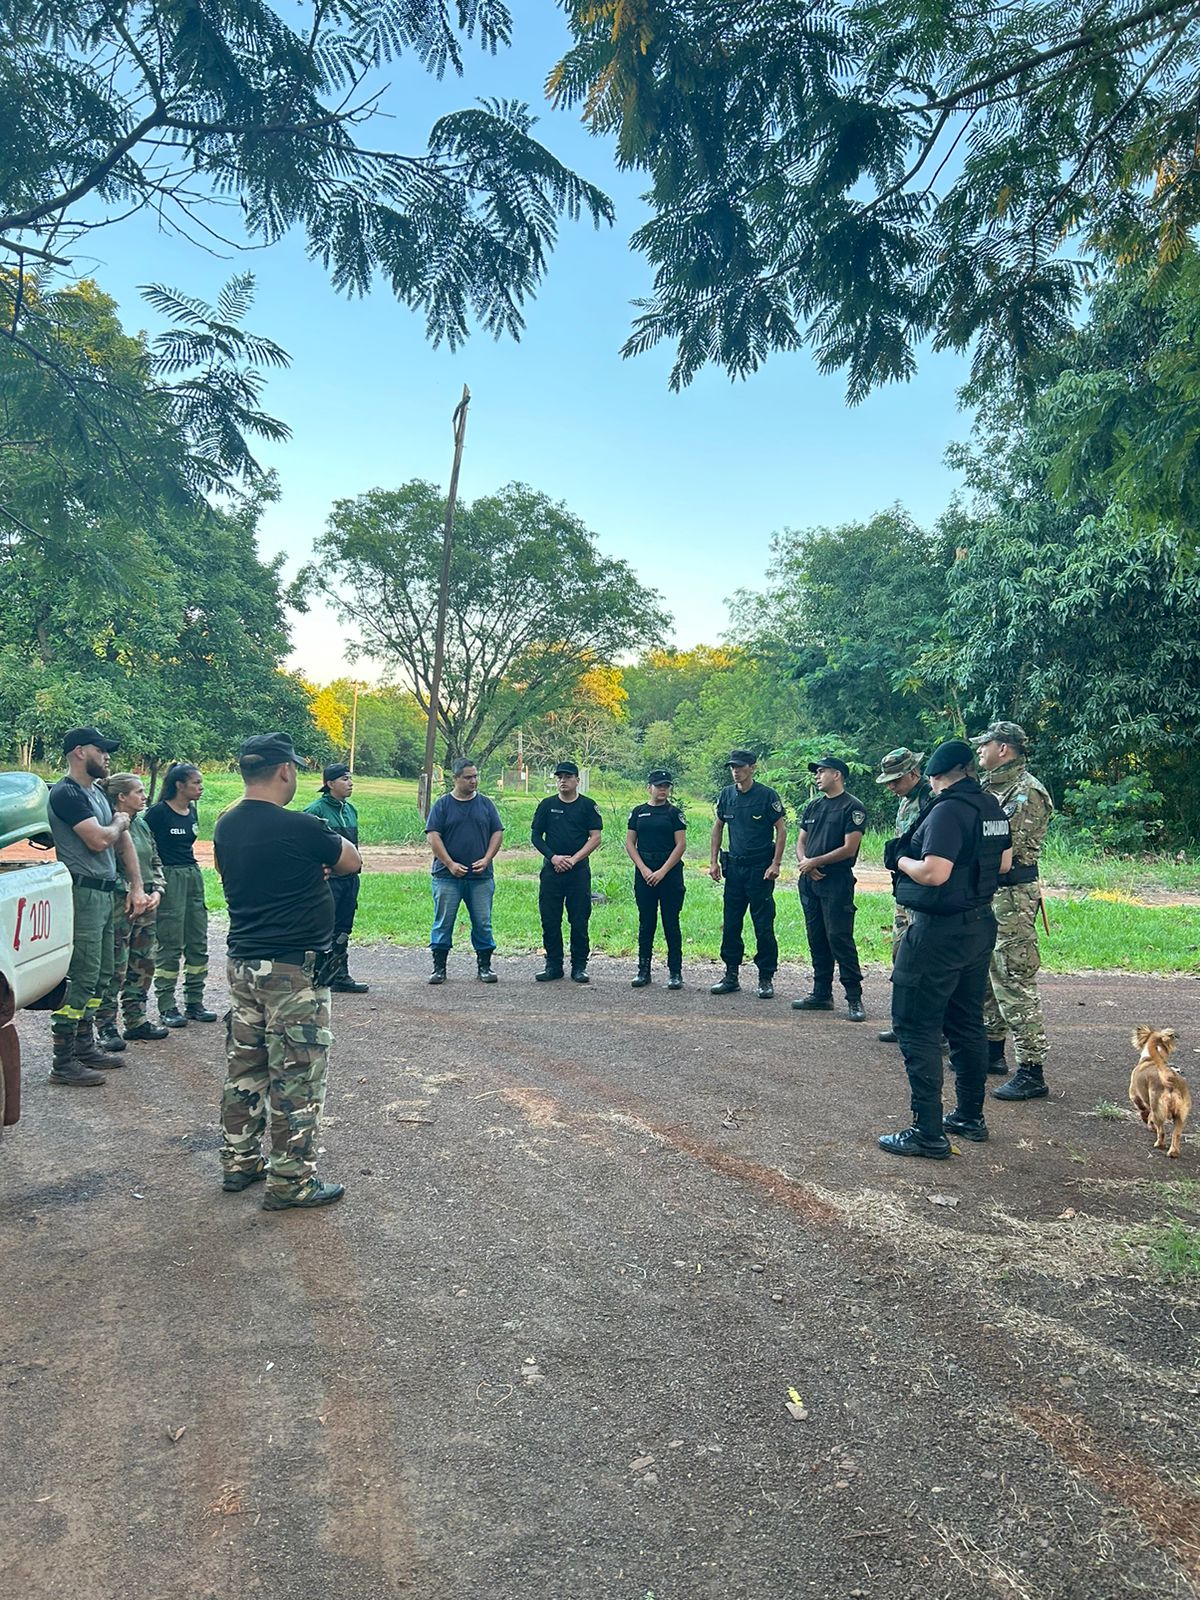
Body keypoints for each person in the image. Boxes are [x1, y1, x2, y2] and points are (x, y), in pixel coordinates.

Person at [213, 731, 361, 1210]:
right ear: (285, 770)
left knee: (245, 1067)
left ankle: (239, 1163)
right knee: (296, 1075)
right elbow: (351, 861)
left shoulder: (225, 825)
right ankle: (291, 1181)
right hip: (293, 971)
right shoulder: (300, 826)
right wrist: (314, 867)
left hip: (243, 964)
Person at [878, 739, 1012, 1159]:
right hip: (978, 925)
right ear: (970, 769)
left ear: (935, 777)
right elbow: (1004, 864)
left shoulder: (947, 810)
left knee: (915, 1026)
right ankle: (970, 1117)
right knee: (966, 1023)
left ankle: (927, 1131)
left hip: (938, 931)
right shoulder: (991, 805)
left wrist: (900, 860)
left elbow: (934, 873)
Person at [46, 728, 150, 1087]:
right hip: (83, 893)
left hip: (107, 892)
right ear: (79, 752)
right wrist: (121, 820)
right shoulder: (67, 794)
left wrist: (136, 886)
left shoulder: (96, 794)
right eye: (100, 750)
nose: (107, 756)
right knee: (84, 974)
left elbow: (123, 846)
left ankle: (84, 1045)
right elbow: (98, 840)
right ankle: (63, 1060)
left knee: (104, 974)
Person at [974, 721, 1055, 1102]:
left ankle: (1032, 1069)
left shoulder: (1026, 793)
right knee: (989, 976)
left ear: (1003, 748)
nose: (979, 751)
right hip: (990, 893)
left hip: (1012, 896)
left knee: (1014, 978)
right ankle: (993, 1053)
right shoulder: (990, 788)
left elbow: (1009, 854)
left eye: (984, 745)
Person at [792, 756, 868, 1020]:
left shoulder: (853, 807)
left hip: (836, 880)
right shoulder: (813, 806)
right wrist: (805, 863)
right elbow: (800, 841)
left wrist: (816, 861)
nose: (817, 775)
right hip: (809, 880)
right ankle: (821, 993)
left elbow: (850, 848)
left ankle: (854, 998)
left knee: (839, 937)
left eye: (821, 771)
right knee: (816, 937)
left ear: (837, 775)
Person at [95, 774, 168, 1048]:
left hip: (146, 900)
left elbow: (156, 860)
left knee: (143, 962)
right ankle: (106, 1025)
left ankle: (136, 1020)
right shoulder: (109, 825)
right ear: (122, 797)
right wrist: (129, 890)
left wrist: (157, 890)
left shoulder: (143, 826)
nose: (144, 796)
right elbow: (104, 866)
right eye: (138, 791)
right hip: (120, 903)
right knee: (115, 964)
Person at [709, 749, 786, 999]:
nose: (735, 771)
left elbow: (781, 830)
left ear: (752, 767)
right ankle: (731, 975)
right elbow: (718, 826)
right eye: (732, 767)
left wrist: (775, 864)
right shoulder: (727, 795)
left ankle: (765, 977)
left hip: (760, 870)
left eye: (740, 766)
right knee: (731, 924)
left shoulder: (766, 796)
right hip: (735, 869)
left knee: (763, 924)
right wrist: (713, 862)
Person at [145, 763, 216, 1027]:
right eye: (196, 783)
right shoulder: (158, 813)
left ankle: (194, 1001)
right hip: (169, 877)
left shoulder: (192, 812)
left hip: (192, 875)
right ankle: (166, 1005)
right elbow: (145, 847)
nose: (200, 787)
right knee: (170, 942)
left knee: (198, 939)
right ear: (179, 785)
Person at [425, 758, 504, 985]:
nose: (474, 781)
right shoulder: (442, 805)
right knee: (443, 921)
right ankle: (439, 968)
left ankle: (485, 967)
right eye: (468, 777)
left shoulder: (486, 804)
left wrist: (487, 859)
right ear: (456, 778)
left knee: (483, 922)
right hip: (446, 876)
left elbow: (497, 832)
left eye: (475, 776)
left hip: (480, 877)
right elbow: (433, 836)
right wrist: (449, 863)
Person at [874, 748, 933, 1043]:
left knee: (924, 959)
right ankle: (903, 1021)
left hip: (924, 890)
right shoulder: (906, 799)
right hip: (904, 890)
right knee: (901, 955)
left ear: (913, 773)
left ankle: (930, 1028)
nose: (891, 787)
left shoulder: (930, 798)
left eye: (896, 780)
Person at [531, 761, 603, 983]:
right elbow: (535, 836)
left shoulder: (588, 806)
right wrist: (553, 857)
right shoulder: (546, 805)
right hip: (552, 870)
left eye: (568, 776)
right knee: (550, 919)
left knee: (579, 919)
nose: (563, 780)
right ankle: (553, 965)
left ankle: (579, 966)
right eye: (560, 777)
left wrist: (573, 860)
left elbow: (596, 837)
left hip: (578, 871)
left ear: (577, 781)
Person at [304, 763, 368, 993]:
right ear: (330, 784)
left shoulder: (351, 810)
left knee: (343, 929)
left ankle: (339, 974)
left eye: (350, 779)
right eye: (344, 779)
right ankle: (316, 975)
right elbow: (307, 847)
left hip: (350, 879)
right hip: (329, 882)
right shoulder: (315, 811)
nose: (350, 783)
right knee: (323, 928)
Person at [626, 770, 688, 988]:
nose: (662, 790)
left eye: (666, 786)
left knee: (671, 923)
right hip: (644, 871)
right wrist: (643, 869)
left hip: (669, 872)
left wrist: (662, 871)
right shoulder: (638, 812)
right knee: (646, 922)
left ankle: (675, 973)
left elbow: (680, 845)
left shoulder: (674, 813)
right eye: (658, 786)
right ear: (649, 787)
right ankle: (643, 971)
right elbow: (630, 844)